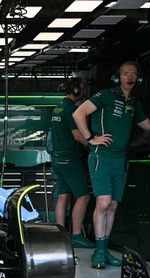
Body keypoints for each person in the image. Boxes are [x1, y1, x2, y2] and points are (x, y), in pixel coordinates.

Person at [73, 60, 150, 269]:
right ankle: (98, 252)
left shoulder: (133, 103)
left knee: (112, 205)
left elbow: (148, 125)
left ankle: (104, 249)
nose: (130, 77)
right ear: (117, 77)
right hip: (102, 156)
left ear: (137, 78)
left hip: (120, 159)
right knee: (103, 203)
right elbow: (78, 113)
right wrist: (91, 138)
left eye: (133, 74)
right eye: (125, 74)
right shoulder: (107, 95)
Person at [50, 77, 94, 249]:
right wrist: (93, 144)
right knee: (83, 196)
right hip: (69, 159)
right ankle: (76, 235)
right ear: (75, 90)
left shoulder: (57, 107)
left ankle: (60, 236)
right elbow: (77, 135)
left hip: (57, 159)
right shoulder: (71, 109)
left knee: (63, 196)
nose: (83, 92)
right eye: (82, 88)